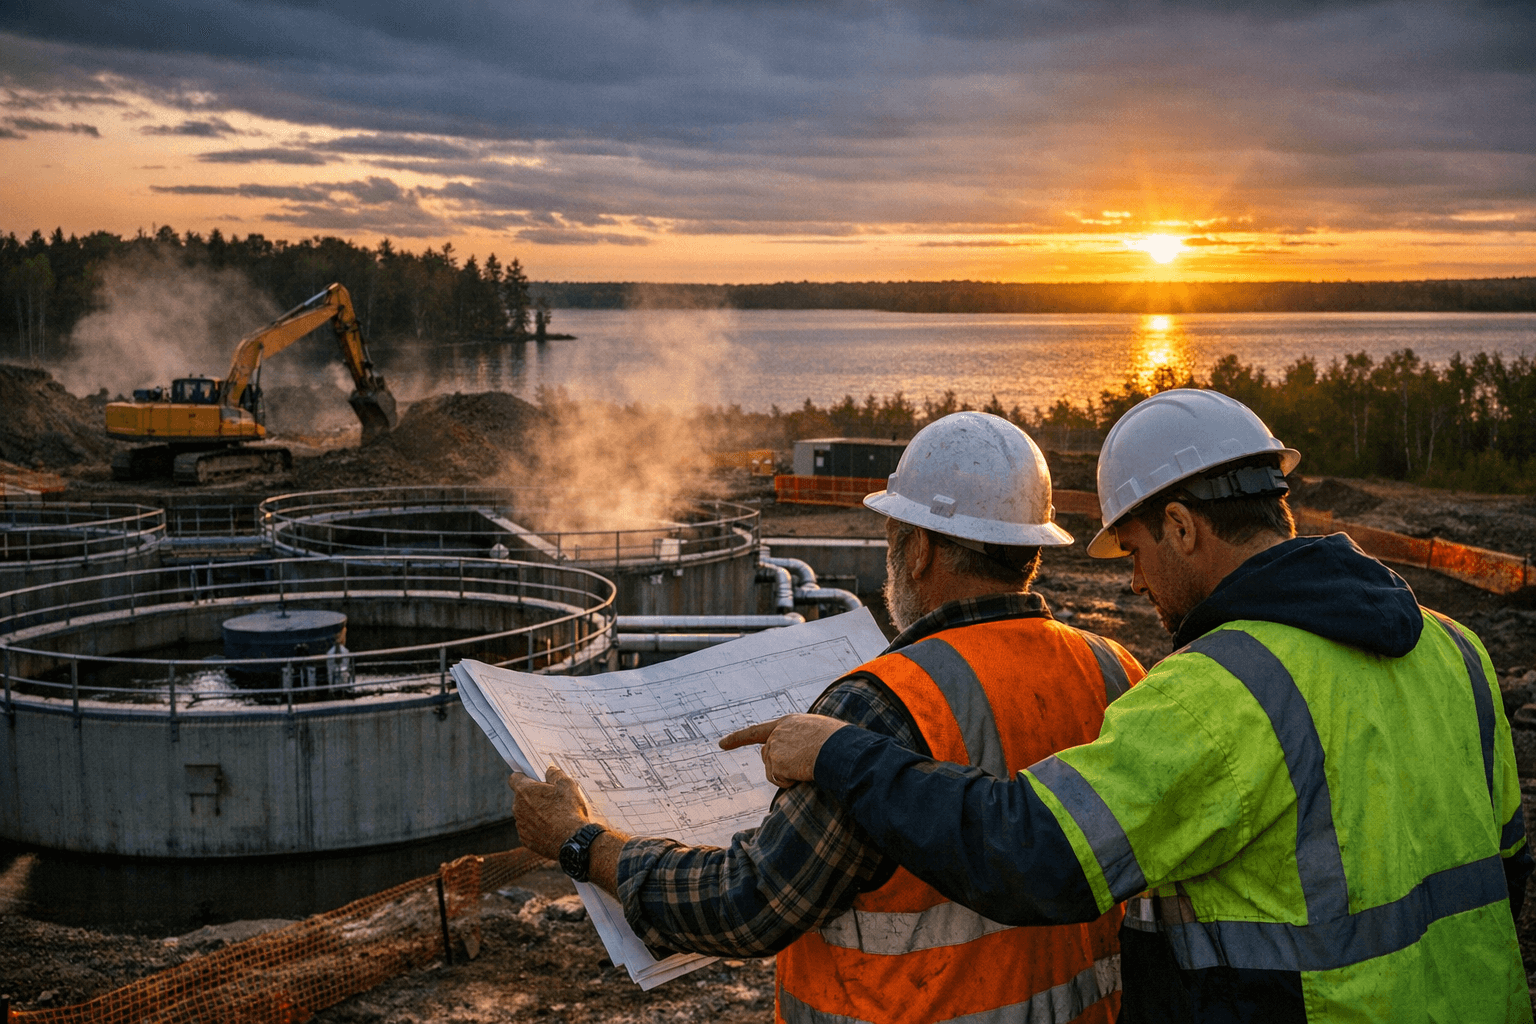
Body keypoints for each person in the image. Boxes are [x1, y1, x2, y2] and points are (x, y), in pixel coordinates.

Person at [734, 389, 1533, 1022]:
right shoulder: (1455, 650)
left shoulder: (1221, 688)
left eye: (1138, 550)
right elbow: (1506, 868)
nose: (1137, 582)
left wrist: (841, 754)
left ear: (1181, 527)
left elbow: (1034, 851)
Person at [510, 411, 1146, 1024]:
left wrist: (582, 842)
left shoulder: (878, 706)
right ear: (1030, 550)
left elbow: (749, 903)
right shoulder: (1117, 671)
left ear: (919, 549)